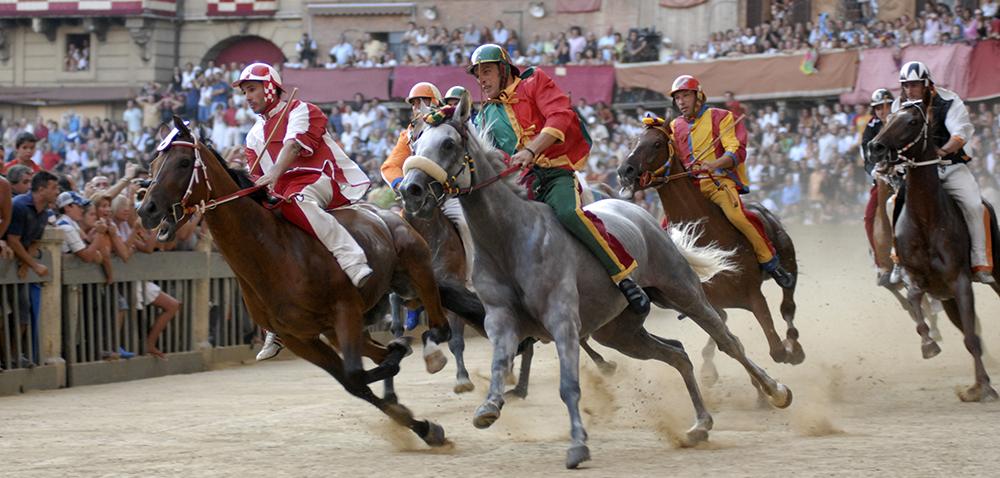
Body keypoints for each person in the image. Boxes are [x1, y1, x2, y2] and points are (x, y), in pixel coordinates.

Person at [468, 43, 650, 314]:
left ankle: (622, 276)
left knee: (568, 213)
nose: (481, 79)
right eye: (478, 74)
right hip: (522, 184)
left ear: (504, 69)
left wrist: (531, 149)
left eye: (487, 71)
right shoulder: (484, 116)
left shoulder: (534, 81)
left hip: (555, 173)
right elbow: (491, 158)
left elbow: (560, 116)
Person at [234, 62, 372, 360]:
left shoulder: (300, 110)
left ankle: (353, 259)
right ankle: (275, 323)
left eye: (252, 89)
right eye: (245, 91)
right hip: (283, 190)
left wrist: (272, 176)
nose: (247, 96)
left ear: (270, 86)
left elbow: (294, 148)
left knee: (297, 200)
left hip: (319, 177)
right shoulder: (253, 135)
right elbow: (256, 174)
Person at [668, 74, 794, 288]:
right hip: (690, 189)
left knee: (738, 216)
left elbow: (735, 151)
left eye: (686, 95)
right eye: (677, 97)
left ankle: (770, 262)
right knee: (667, 230)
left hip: (718, 182)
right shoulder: (674, 126)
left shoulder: (722, 117)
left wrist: (714, 164)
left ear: (698, 96)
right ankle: (682, 286)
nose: (681, 101)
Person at [380, 82, 476, 329]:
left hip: (448, 196)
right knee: (397, 236)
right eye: (413, 103)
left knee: (464, 223)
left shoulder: (449, 126)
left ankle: (469, 280)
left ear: (435, 102)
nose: (416, 107)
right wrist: (402, 184)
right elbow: (389, 166)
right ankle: (406, 297)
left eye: (421, 101)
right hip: (419, 198)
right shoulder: (409, 134)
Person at [891, 61, 994, 284]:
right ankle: (898, 261)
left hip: (951, 166)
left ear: (927, 84)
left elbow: (961, 133)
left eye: (915, 85)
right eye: (906, 85)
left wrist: (943, 150)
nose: (910, 90)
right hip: (918, 172)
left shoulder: (949, 101)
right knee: (893, 203)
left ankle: (980, 262)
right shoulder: (898, 105)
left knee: (975, 206)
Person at [4, 171, 59, 368]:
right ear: (41, 189)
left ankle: (12, 356)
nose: (57, 192)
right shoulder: (19, 205)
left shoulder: (44, 213)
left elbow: (35, 240)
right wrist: (33, 264)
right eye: (53, 188)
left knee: (22, 313)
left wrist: (27, 263)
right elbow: (12, 240)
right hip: (7, 264)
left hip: (17, 268)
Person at [861, 88, 897, 286]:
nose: (883, 111)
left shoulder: (902, 119)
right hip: (882, 179)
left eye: (887, 106)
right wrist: (873, 171)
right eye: (878, 108)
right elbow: (865, 153)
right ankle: (880, 263)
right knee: (868, 217)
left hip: (905, 174)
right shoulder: (872, 126)